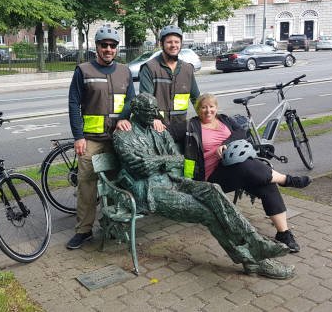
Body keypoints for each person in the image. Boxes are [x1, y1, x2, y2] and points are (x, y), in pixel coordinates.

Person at [112, 93, 295, 279]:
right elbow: (140, 167)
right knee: (208, 214)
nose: (154, 115)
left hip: (175, 181)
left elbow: (180, 160)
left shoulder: (158, 131)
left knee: (213, 190)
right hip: (150, 190)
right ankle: (253, 261)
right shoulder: (123, 135)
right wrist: (166, 160)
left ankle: (255, 241)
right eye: (148, 111)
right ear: (135, 111)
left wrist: (159, 161)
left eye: (154, 111)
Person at [183, 93, 312, 253]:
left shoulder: (224, 119)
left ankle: (284, 234)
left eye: (211, 106)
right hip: (214, 176)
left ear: (216, 108)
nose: (208, 110)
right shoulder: (191, 126)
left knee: (266, 184)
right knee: (243, 165)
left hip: (239, 168)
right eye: (203, 107)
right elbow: (166, 131)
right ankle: (286, 179)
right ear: (198, 110)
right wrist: (156, 122)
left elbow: (241, 132)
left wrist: (225, 144)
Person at [66, 25, 136, 250]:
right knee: (87, 185)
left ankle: (113, 224)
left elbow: (130, 102)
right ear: (96, 47)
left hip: (117, 139)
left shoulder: (124, 72)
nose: (108, 49)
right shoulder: (83, 70)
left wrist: (125, 118)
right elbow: (73, 103)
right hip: (91, 139)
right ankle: (84, 230)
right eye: (104, 45)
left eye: (112, 46)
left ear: (117, 48)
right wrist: (78, 137)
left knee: (118, 183)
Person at [139, 25, 200, 147]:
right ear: (162, 44)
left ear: (181, 44)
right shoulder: (150, 68)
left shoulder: (187, 69)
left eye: (177, 42)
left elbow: (196, 98)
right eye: (169, 42)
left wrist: (207, 117)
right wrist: (153, 119)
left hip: (181, 128)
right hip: (158, 130)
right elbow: (145, 100)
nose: (173, 45)